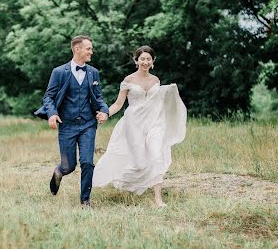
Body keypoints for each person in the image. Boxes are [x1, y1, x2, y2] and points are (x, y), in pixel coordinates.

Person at [93, 46, 187, 207]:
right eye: (142, 59)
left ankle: (158, 199)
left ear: (153, 61)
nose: (145, 62)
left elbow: (159, 102)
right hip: (134, 124)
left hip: (155, 123)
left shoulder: (156, 80)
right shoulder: (128, 80)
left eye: (148, 59)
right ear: (136, 61)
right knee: (139, 163)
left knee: (156, 155)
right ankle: (126, 179)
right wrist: (106, 113)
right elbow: (118, 104)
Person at [34, 36, 109, 207]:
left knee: (87, 162)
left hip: (88, 124)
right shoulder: (59, 72)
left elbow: (98, 98)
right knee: (69, 166)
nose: (92, 51)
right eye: (89, 48)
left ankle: (85, 200)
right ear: (77, 49)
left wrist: (104, 111)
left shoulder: (93, 72)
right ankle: (59, 172)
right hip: (67, 124)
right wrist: (52, 114)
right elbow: (49, 97)